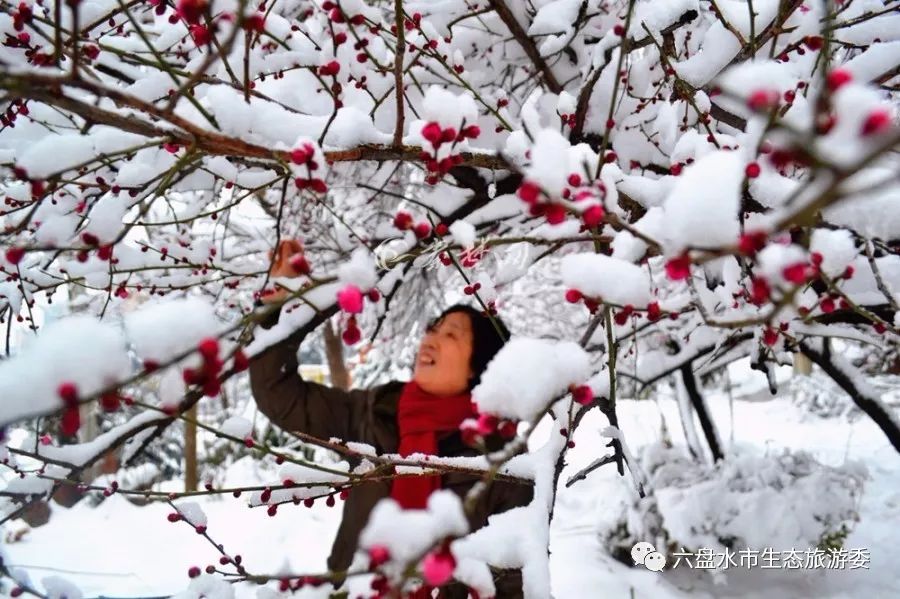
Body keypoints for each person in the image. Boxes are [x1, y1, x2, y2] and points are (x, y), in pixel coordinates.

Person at [249, 240, 533, 598]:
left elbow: (513, 585)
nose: (431, 338)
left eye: (451, 335)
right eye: (434, 327)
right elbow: (279, 395)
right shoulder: (375, 412)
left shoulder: (507, 468)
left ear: (480, 369)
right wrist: (279, 303)